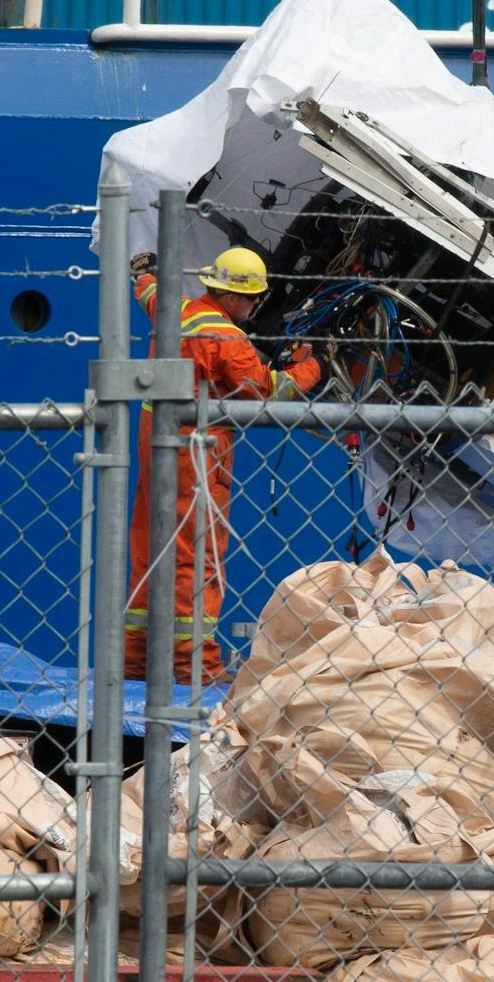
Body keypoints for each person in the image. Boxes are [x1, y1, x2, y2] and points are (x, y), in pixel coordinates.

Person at [125, 246, 322, 684]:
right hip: (195, 453)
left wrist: (143, 273)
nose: (255, 307)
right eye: (252, 299)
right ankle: (197, 668)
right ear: (233, 297)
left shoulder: (176, 308)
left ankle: (134, 666)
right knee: (198, 560)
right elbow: (268, 392)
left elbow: (148, 291)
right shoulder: (226, 338)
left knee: (148, 553)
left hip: (153, 441)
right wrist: (310, 366)